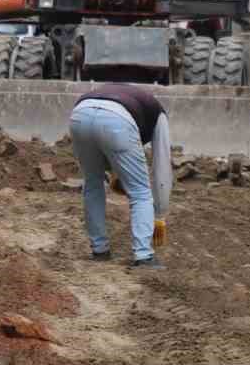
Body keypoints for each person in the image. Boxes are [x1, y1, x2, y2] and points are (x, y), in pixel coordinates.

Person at [67, 82, 173, 269]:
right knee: (140, 192)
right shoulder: (159, 115)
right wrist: (159, 215)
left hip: (80, 113)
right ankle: (143, 255)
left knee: (92, 183)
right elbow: (162, 165)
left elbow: (106, 152)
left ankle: (99, 250)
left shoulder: (124, 96)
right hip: (117, 121)